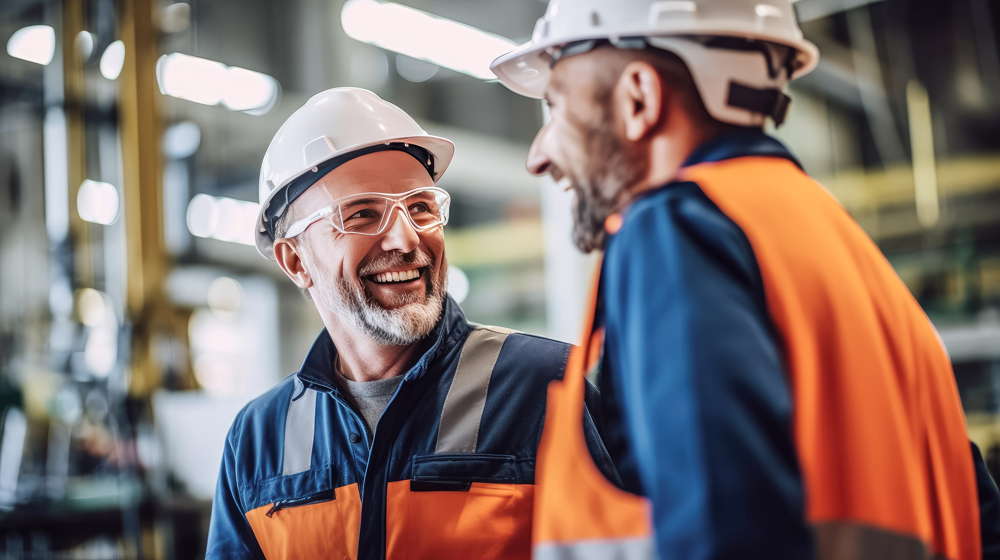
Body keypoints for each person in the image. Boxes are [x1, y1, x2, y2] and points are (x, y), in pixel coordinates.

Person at [490, 0, 1000, 559]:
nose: (539, 156)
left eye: (556, 108)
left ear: (640, 98)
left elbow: (724, 529)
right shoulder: (842, 245)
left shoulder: (673, 229)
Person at [204, 87, 616, 560]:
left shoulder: (544, 386)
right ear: (295, 260)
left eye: (420, 207)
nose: (406, 238)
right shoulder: (258, 439)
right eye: (361, 214)